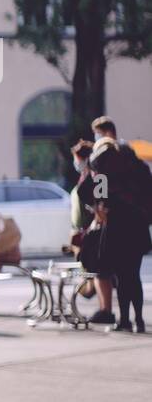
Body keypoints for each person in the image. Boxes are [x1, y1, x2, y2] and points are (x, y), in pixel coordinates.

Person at [81, 116, 151, 331]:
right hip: (138, 227)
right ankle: (139, 319)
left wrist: (99, 207)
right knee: (134, 274)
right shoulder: (139, 167)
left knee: (121, 275)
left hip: (117, 226)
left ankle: (124, 321)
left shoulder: (103, 166)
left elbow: (96, 196)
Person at [69, 141, 111, 316]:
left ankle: (105, 310)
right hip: (85, 231)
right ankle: (104, 309)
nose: (76, 163)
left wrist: (97, 223)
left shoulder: (98, 176)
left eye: (77, 159)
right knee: (93, 272)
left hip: (94, 231)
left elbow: (101, 206)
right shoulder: (88, 176)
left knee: (99, 273)